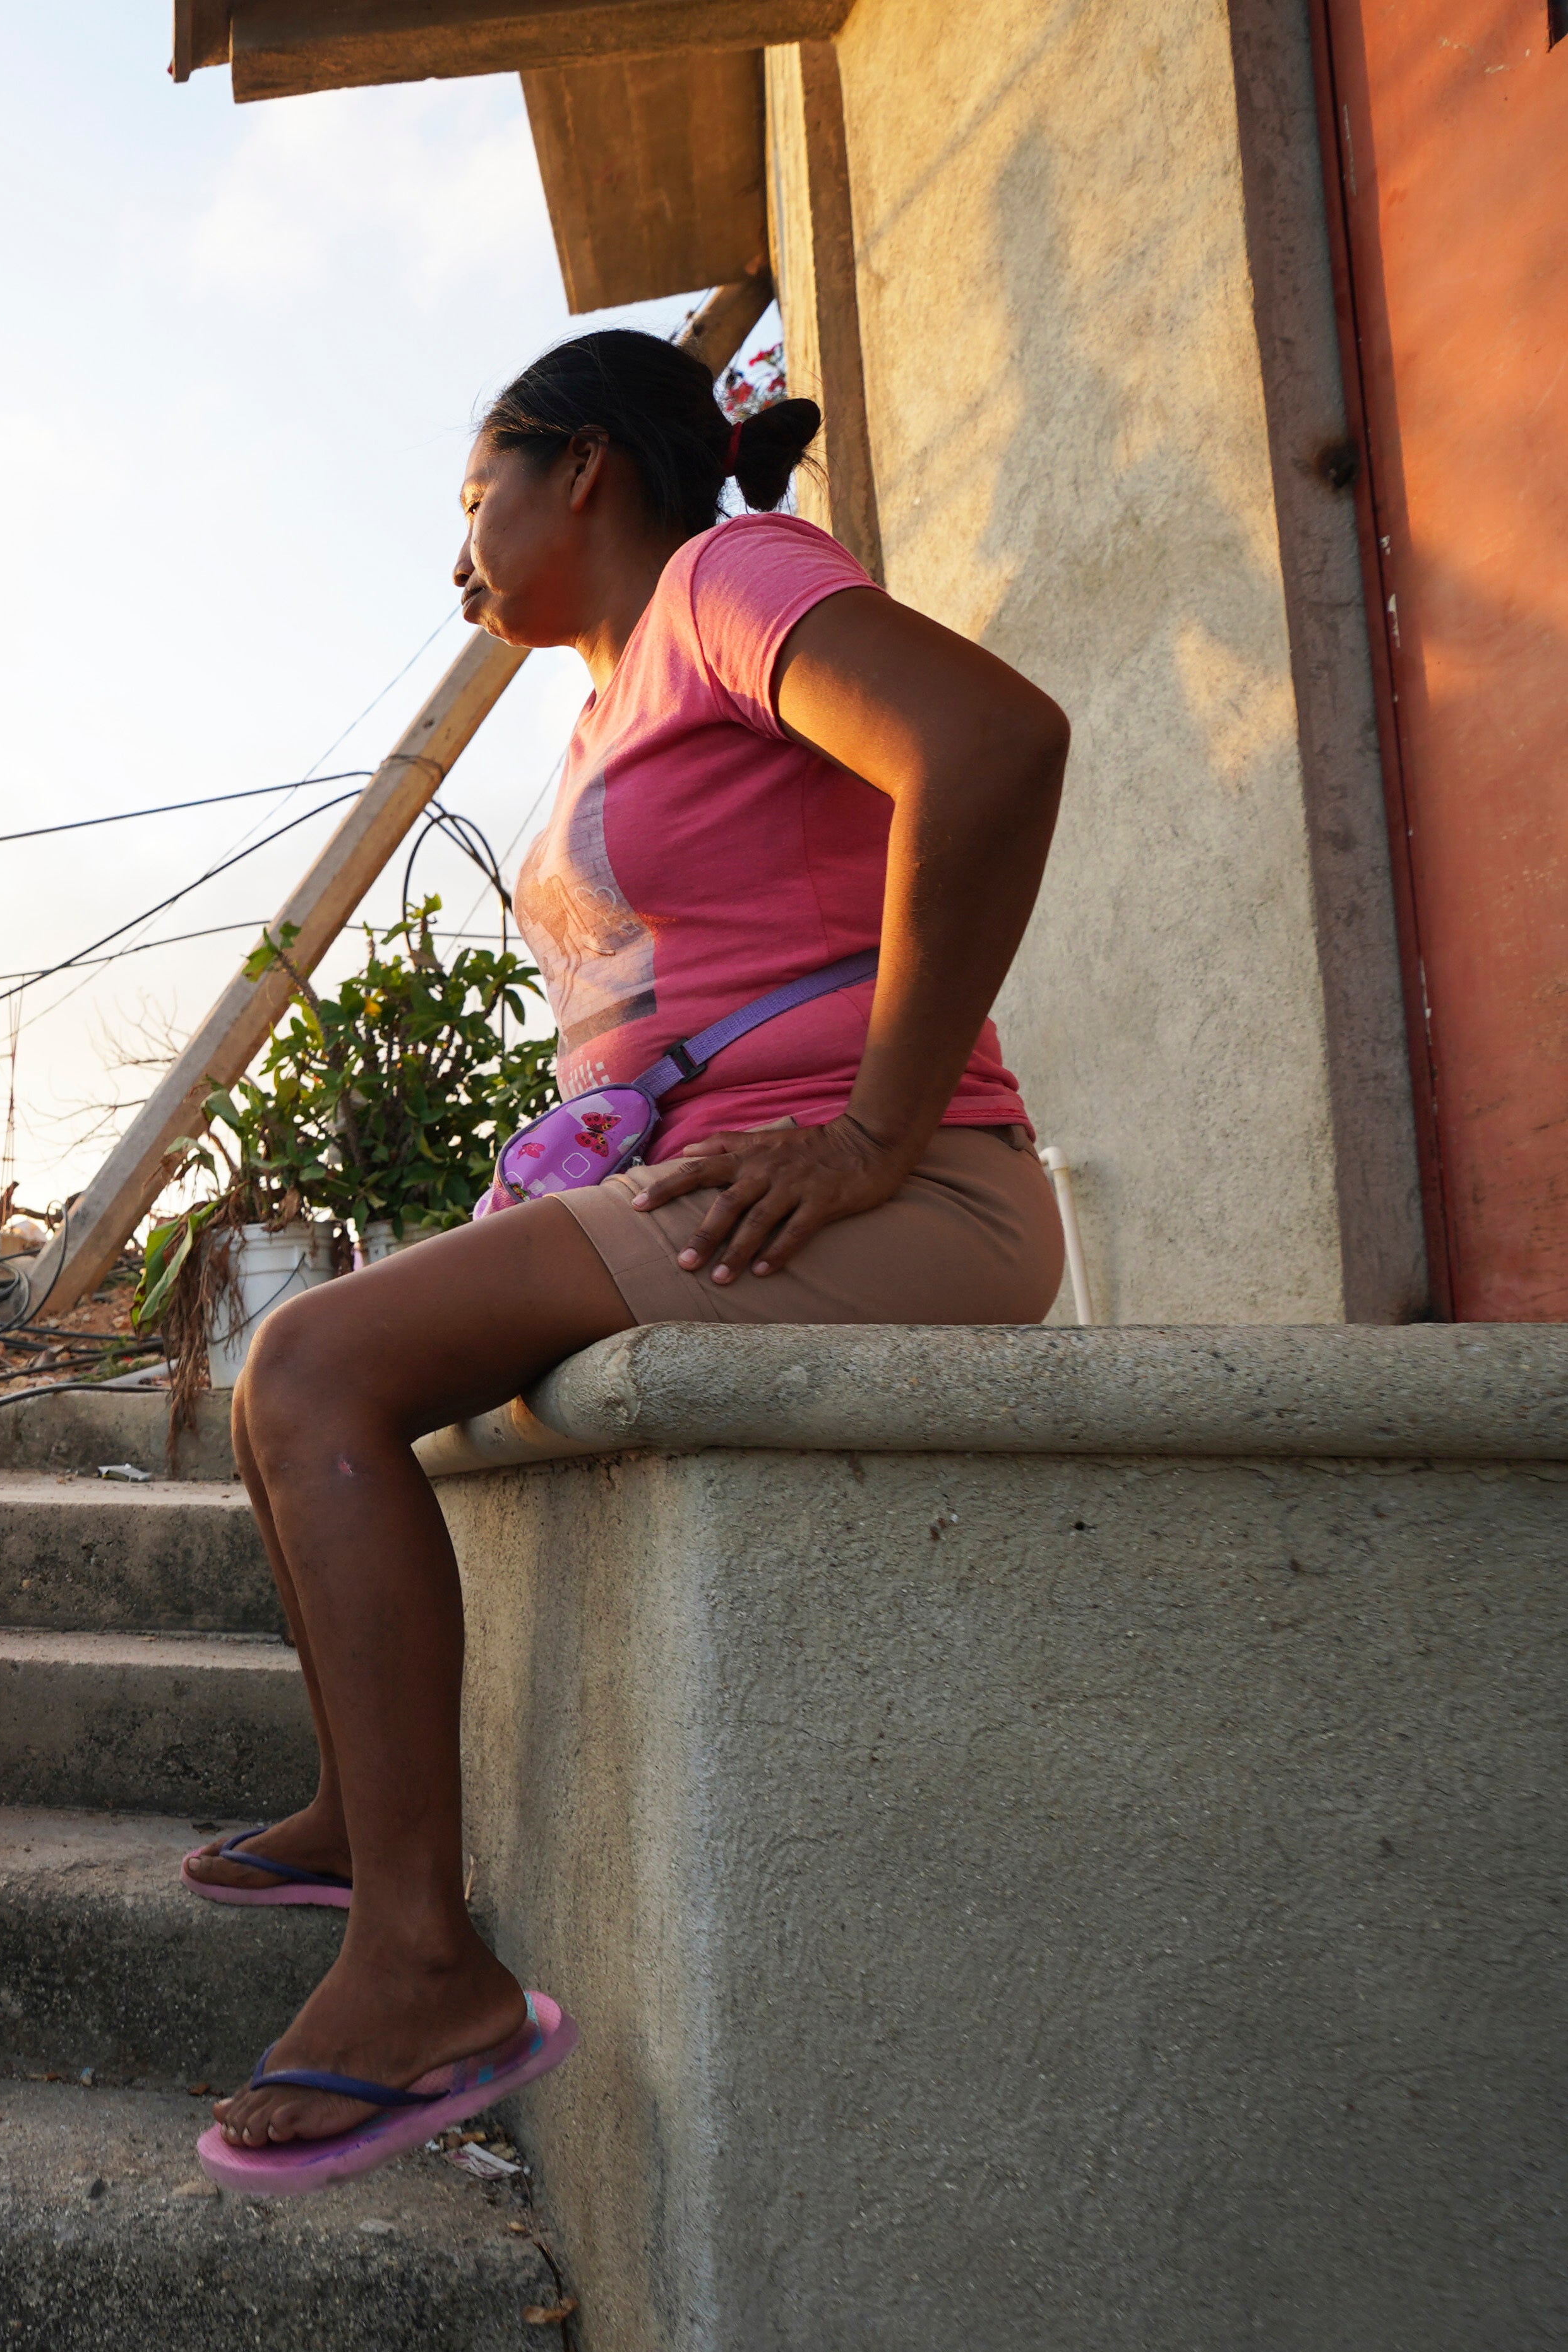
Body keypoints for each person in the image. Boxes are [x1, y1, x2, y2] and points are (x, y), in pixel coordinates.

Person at [191, 332, 1072, 2192]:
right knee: (302, 1357)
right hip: (720, 1195)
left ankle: (426, 1965)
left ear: (582, 468)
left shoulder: (729, 582)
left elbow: (994, 745)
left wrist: (876, 1130)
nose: (457, 558)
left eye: (473, 501)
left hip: (901, 1197)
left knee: (314, 1366)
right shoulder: (605, 699)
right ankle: (368, 1808)